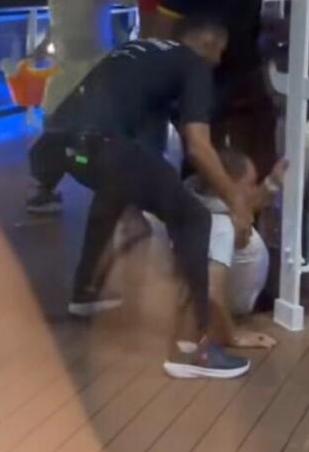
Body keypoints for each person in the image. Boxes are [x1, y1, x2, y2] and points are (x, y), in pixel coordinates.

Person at [29, 16, 254, 379]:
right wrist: (236, 200)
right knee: (194, 218)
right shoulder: (193, 64)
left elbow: (144, 160)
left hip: (59, 147)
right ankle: (193, 348)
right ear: (209, 44)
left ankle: (84, 293)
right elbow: (198, 146)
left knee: (116, 186)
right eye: (221, 52)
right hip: (104, 145)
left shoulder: (136, 53)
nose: (219, 60)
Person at [157, 0, 284, 178]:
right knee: (205, 153)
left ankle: (255, 195)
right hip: (206, 79)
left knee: (259, 149)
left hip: (252, 79)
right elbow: (164, 28)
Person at [120, 148, 286, 349]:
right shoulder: (221, 226)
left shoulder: (189, 195)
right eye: (251, 184)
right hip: (230, 307)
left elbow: (247, 202)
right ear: (227, 185)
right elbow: (212, 292)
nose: (254, 190)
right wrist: (233, 336)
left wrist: (272, 183)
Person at [25, 0, 137, 214]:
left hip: (96, 70)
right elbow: (57, 23)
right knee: (52, 124)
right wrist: (42, 47)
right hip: (63, 70)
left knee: (101, 134)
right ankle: (46, 189)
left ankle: (121, 191)